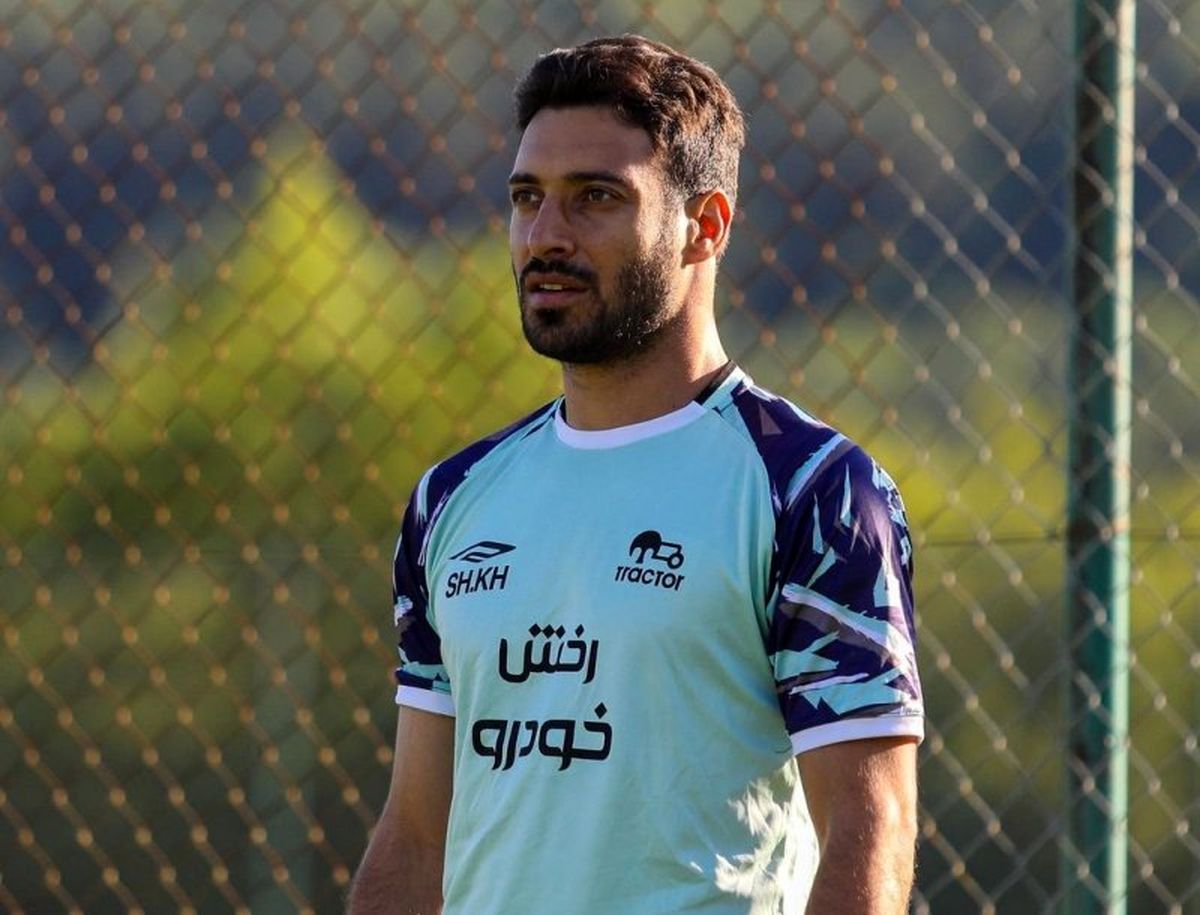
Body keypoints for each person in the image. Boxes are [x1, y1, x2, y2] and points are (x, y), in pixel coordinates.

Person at [349, 34, 923, 915]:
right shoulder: (452, 499)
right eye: (527, 198)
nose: (545, 236)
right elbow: (417, 833)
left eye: (596, 198)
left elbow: (869, 827)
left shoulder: (813, 491)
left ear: (706, 226)